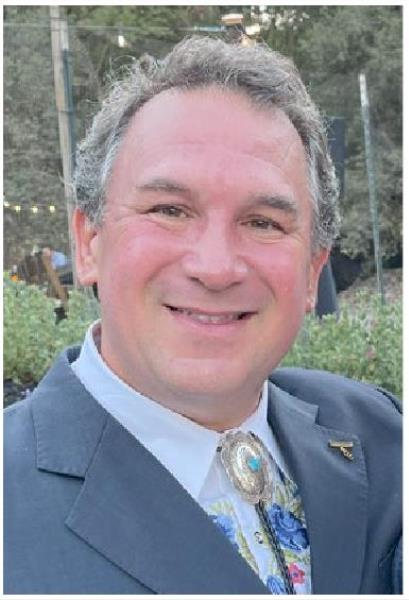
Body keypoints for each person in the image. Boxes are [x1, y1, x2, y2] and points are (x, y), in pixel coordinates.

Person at [4, 37, 401, 595]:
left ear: (313, 271)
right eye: (169, 210)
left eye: (263, 222)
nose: (216, 268)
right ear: (89, 242)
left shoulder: (381, 434)